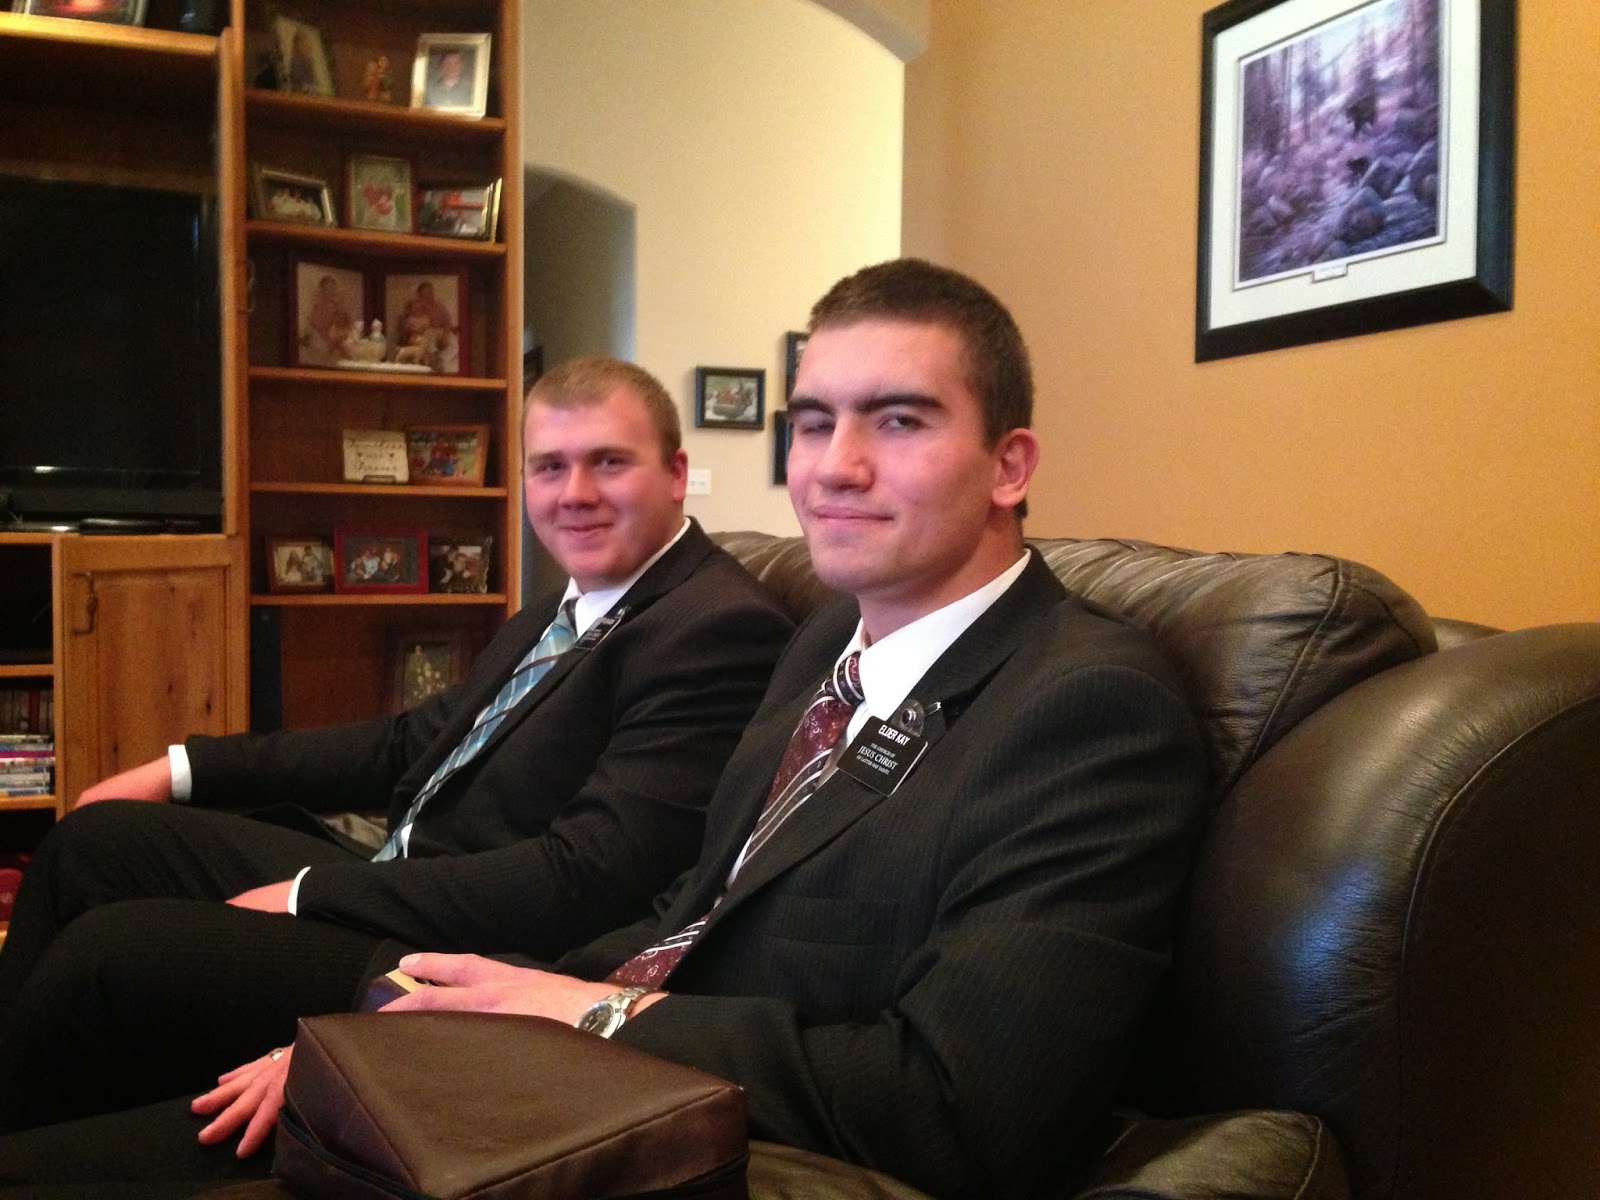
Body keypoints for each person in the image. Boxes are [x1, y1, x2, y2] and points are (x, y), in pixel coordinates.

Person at [0, 261, 1205, 1199]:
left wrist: (565, 1019)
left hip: (654, 1121)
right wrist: (442, 1029)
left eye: (897, 421)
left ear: (1009, 465)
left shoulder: (1088, 709)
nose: (834, 467)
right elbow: (686, 908)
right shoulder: (823, 651)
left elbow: (956, 1107)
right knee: (110, 969)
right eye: (811, 422)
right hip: (577, 1055)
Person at [0, 357, 794, 1139]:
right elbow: (408, 741)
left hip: (457, 949)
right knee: (92, 845)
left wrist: (312, 893)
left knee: (110, 955)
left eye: (608, 463)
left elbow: (582, 880)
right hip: (400, 877)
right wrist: (183, 767)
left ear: (675, 473)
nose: (575, 492)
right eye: (550, 467)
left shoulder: (713, 628)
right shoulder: (566, 606)